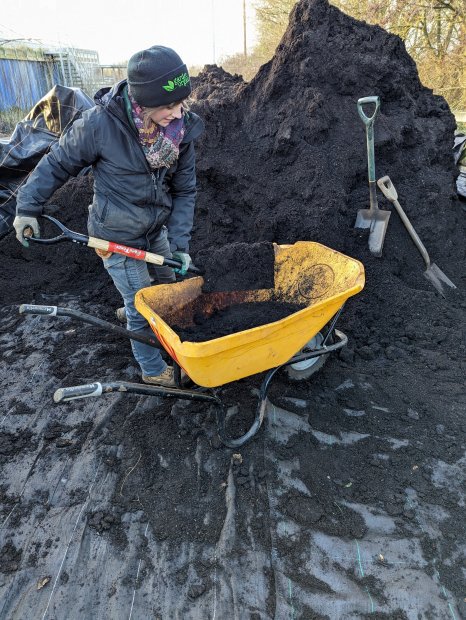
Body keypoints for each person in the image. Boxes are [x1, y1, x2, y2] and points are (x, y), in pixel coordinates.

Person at [13, 46, 204, 387]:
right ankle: (151, 368)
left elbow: (185, 190)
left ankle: (176, 344)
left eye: (181, 103)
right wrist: (27, 207)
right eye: (169, 106)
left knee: (171, 289)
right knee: (141, 304)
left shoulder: (181, 131)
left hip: (155, 230)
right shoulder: (100, 125)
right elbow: (57, 163)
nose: (178, 113)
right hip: (115, 235)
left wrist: (178, 245)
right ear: (144, 102)